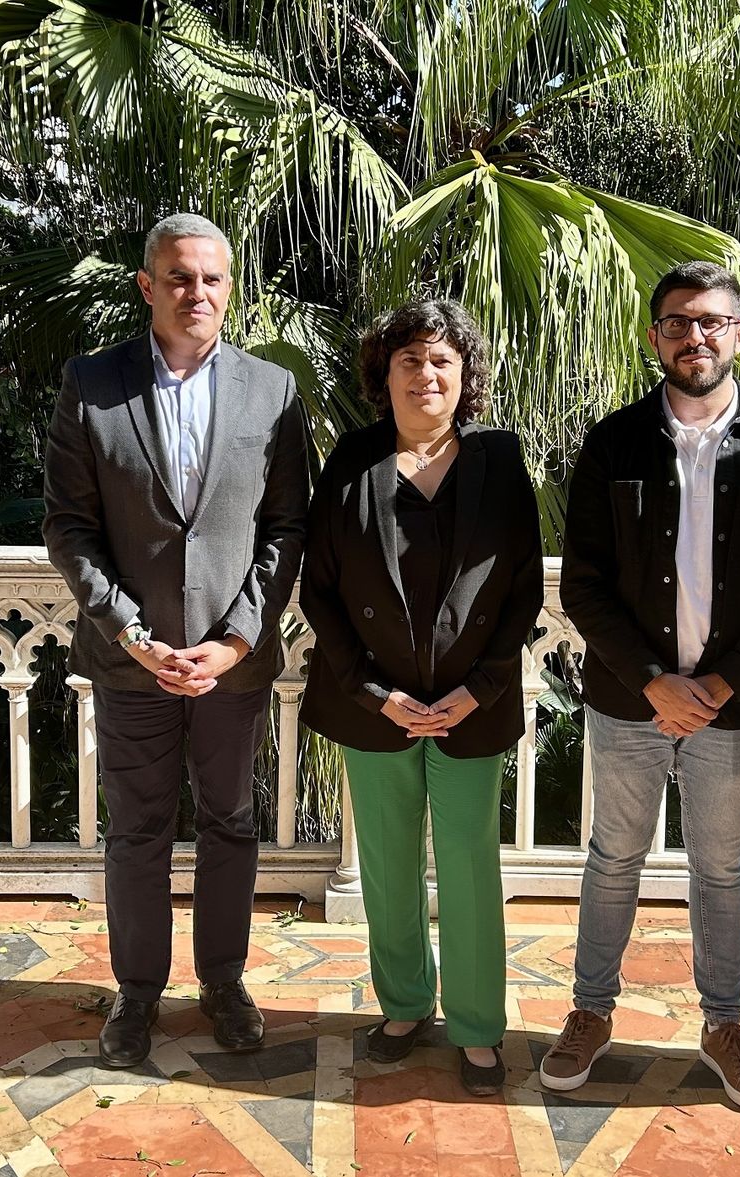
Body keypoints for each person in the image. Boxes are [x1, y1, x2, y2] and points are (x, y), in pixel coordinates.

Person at [546, 261, 740, 1108]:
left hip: (732, 708)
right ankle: (590, 1011)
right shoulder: (613, 442)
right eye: (677, 322)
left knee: (719, 868)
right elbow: (582, 583)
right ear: (654, 337)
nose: (694, 336)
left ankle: (724, 1023)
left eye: (711, 322)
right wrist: (651, 680)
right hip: (629, 702)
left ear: (739, 334)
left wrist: (719, 683)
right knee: (613, 859)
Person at [43, 213, 308, 1067]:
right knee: (138, 830)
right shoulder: (92, 384)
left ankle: (224, 981)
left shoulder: (273, 390)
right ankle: (138, 991)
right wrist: (128, 630)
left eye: (214, 279)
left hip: (234, 667)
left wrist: (235, 640)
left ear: (232, 289)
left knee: (230, 822)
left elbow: (285, 527)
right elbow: (69, 527)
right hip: (133, 666)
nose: (198, 293)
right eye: (180, 277)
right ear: (147, 286)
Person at [298, 299, 542, 1096]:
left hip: (474, 704)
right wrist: (375, 692)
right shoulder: (353, 459)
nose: (426, 374)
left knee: (469, 865)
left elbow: (525, 594)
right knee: (390, 867)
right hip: (376, 708)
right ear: (386, 373)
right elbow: (321, 593)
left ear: (464, 376)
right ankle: (404, 1004)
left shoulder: (500, 461)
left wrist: (479, 689)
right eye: (410, 360)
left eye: (441, 360)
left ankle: (476, 1027)